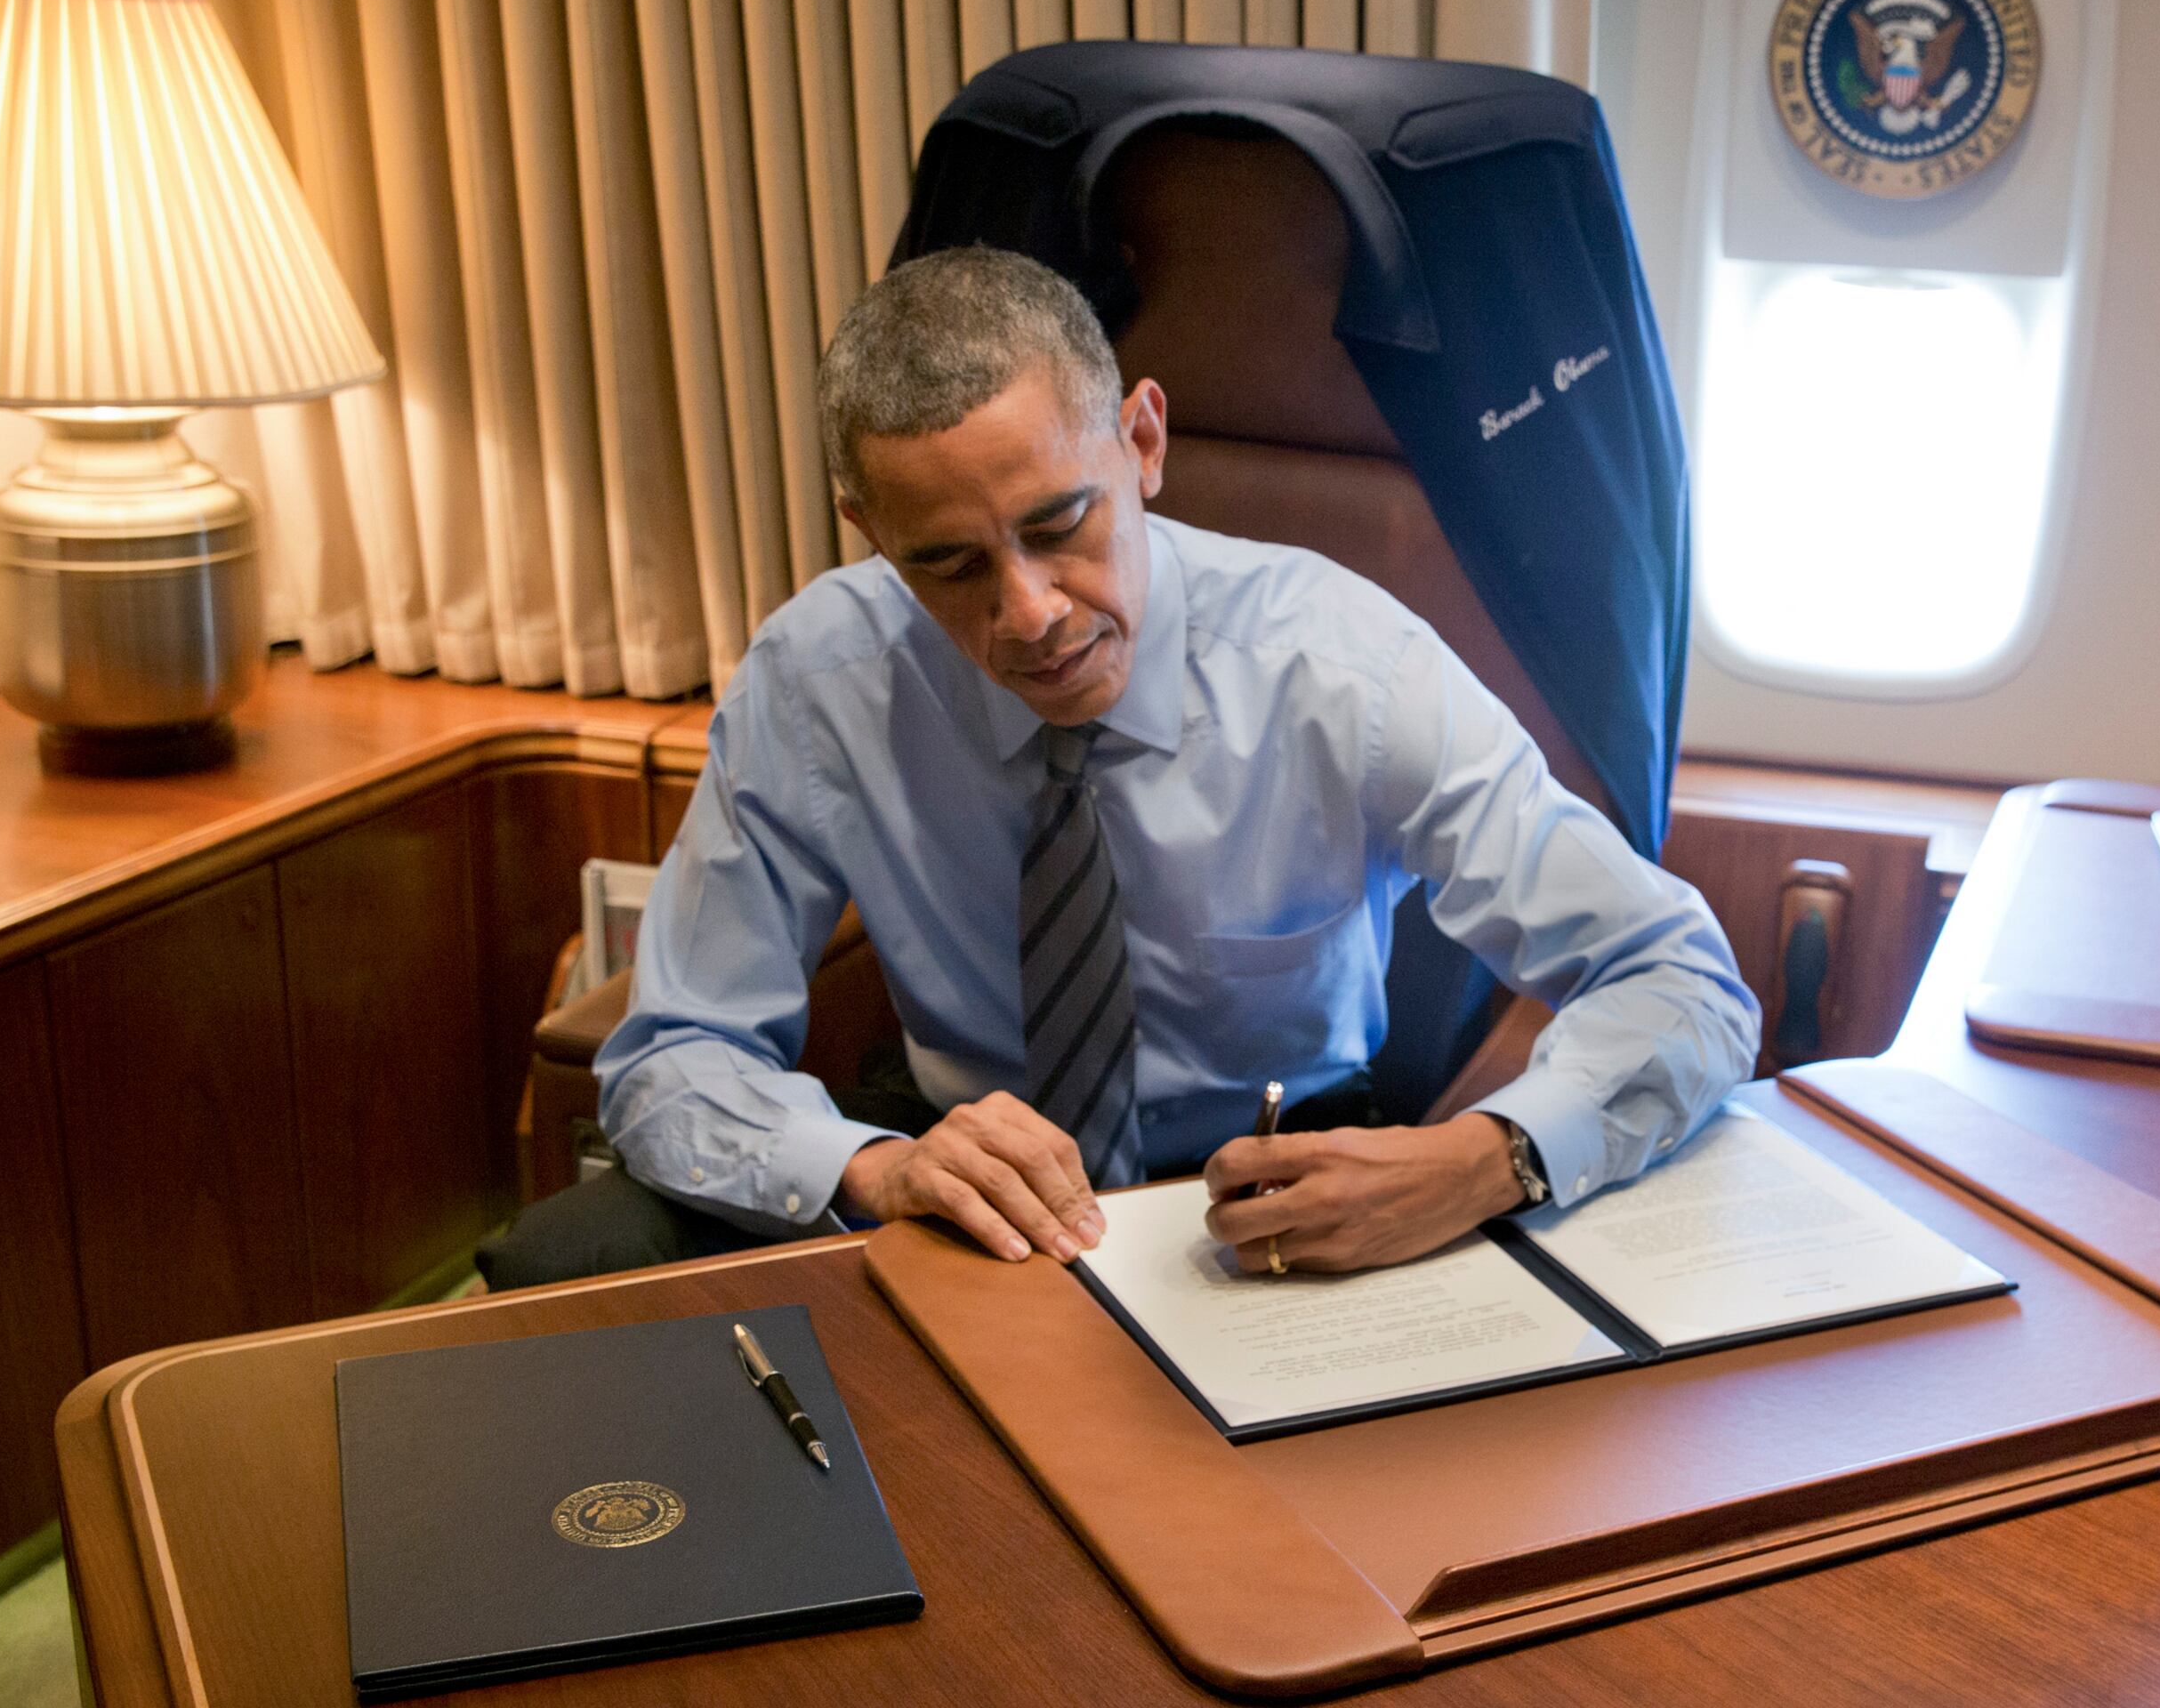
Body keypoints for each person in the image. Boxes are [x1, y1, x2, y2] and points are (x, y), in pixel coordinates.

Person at [479, 247, 1755, 1288]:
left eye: (1057, 525)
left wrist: (1490, 1159)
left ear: (1142, 443)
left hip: (1279, 1158)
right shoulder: (817, 679)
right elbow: (670, 1054)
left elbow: (1684, 979)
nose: (1028, 613)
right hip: (960, 1170)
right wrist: (871, 1168)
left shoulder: (1341, 662)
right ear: (869, 535)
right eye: (950, 564)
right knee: (564, 1266)